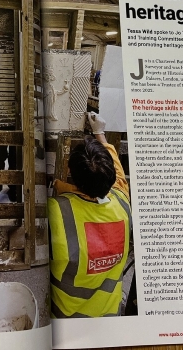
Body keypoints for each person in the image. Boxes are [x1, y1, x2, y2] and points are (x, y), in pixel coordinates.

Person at [48, 112, 131, 318]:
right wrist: (99, 132)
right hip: (109, 316)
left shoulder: (56, 211)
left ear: (71, 173)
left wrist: (58, 186)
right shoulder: (122, 201)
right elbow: (118, 173)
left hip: (68, 317)